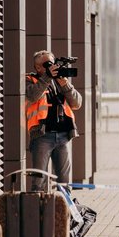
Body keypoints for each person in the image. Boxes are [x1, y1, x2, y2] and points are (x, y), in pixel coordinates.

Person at [25, 51, 83, 191]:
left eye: (53, 63)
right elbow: (32, 96)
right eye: (48, 64)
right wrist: (47, 77)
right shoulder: (30, 80)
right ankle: (38, 212)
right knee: (39, 181)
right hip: (42, 136)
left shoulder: (60, 81)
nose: (53, 67)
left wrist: (65, 84)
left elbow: (77, 103)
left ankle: (64, 211)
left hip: (63, 136)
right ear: (38, 67)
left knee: (64, 181)